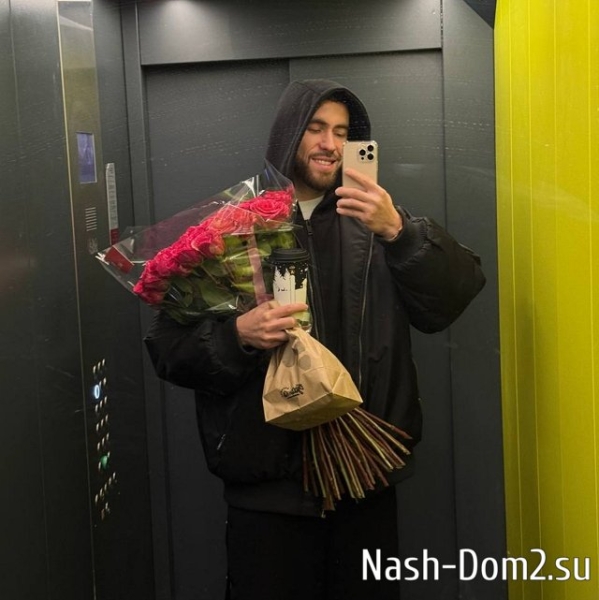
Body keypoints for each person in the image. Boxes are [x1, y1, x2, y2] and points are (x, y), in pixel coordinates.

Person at [145, 79, 486, 600]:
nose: (330, 143)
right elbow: (167, 350)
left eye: (342, 133)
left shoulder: (377, 220)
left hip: (365, 476)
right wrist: (237, 336)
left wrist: (399, 231)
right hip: (268, 488)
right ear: (289, 133)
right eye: (316, 128)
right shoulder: (232, 232)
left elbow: (453, 297)